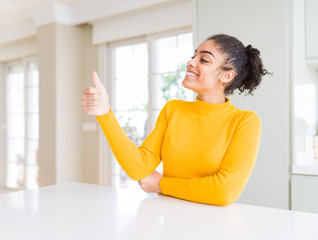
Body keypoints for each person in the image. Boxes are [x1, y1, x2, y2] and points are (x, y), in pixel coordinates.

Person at [82, 34, 270, 206]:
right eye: (193, 56)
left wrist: (162, 184)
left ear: (226, 75)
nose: (191, 62)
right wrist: (104, 112)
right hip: (168, 217)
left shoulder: (244, 121)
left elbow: (224, 192)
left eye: (203, 59)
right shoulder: (173, 110)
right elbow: (138, 168)